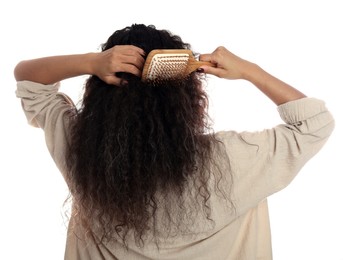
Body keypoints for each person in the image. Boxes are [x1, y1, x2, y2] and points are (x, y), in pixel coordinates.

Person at [14, 24, 334, 260]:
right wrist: (249, 71)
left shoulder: (81, 154)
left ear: (99, 94)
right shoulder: (231, 161)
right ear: (185, 97)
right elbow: (315, 124)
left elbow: (27, 78)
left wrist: (90, 62)